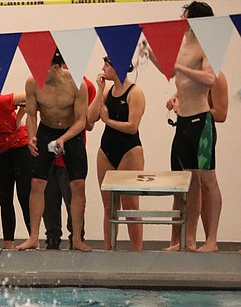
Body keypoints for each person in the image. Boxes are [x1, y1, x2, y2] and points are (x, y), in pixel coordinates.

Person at [148, 1, 220, 252]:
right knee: (188, 183)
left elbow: (210, 78)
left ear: (195, 19)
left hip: (202, 121)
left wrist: (181, 67)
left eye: (184, 14)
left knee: (207, 181)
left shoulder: (207, 46)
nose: (180, 17)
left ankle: (211, 240)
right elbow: (172, 72)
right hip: (183, 122)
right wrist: (154, 57)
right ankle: (188, 240)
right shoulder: (182, 44)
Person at [16, 49, 91, 252]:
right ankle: (33, 237)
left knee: (78, 184)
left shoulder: (78, 84)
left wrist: (64, 138)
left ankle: (76, 238)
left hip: (71, 133)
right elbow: (31, 115)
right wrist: (31, 137)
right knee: (37, 183)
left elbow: (81, 120)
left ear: (56, 67)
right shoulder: (32, 83)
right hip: (46, 131)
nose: (37, 74)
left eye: (42, 70)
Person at [88, 56, 145, 251]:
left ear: (118, 66)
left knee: (130, 206)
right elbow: (91, 117)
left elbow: (132, 127)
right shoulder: (108, 92)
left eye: (106, 64)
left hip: (130, 151)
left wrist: (108, 121)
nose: (103, 68)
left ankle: (137, 252)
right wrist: (99, 91)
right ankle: (108, 250)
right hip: (107, 151)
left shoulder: (135, 92)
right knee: (109, 207)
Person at [0, 88, 31, 249]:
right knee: (4, 199)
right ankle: (8, 243)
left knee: (24, 196)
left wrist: (18, 118)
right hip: (0, 151)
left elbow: (27, 96)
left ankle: (34, 239)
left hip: (20, 147)